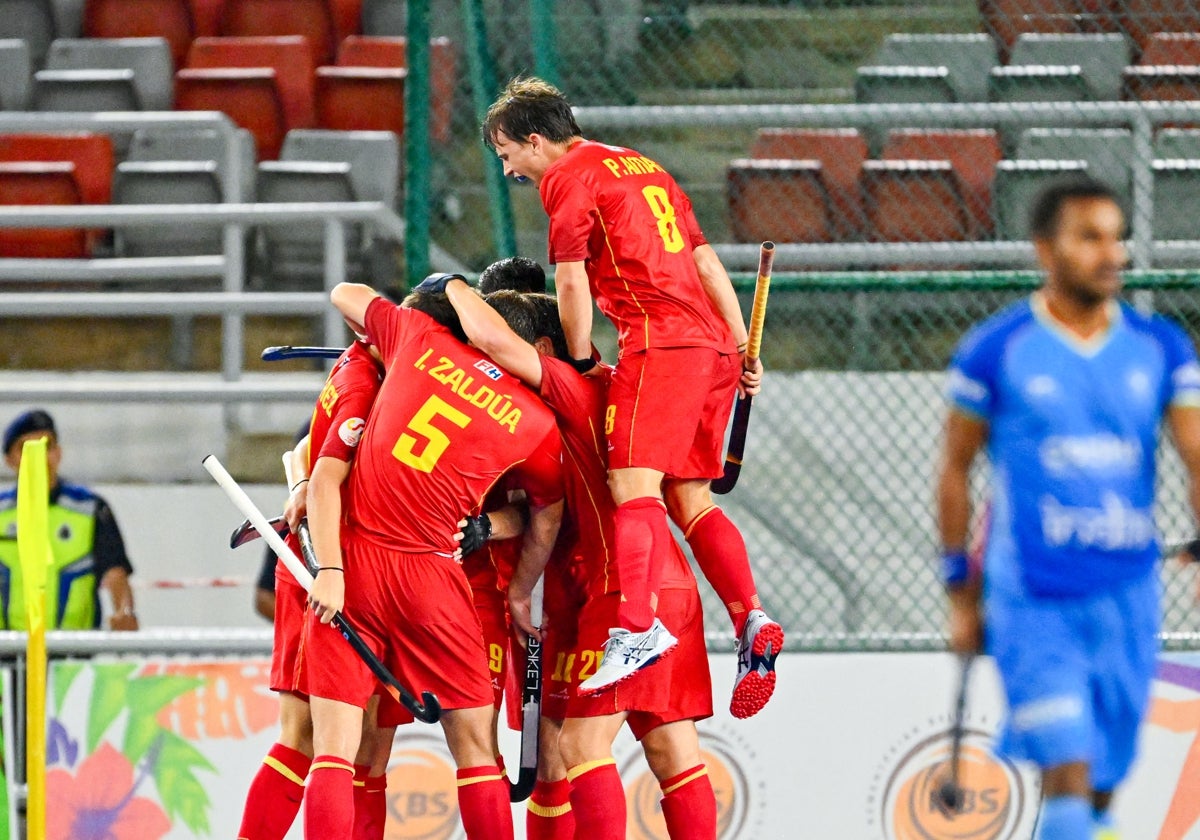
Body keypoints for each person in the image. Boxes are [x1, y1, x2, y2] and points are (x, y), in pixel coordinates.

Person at [482, 77, 782, 716]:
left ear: (537, 141)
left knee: (633, 487)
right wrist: (741, 347)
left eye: (509, 153)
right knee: (688, 496)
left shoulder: (566, 179)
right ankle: (751, 619)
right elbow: (704, 264)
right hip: (711, 343)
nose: (509, 168)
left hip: (663, 345)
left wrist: (584, 356)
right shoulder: (646, 167)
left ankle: (637, 626)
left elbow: (570, 283)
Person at [936, 176, 1200, 840]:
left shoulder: (1160, 347)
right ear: (1045, 250)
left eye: (1116, 238)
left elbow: (1195, 452)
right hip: (1033, 598)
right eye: (1090, 238)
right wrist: (960, 592)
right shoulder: (998, 350)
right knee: (1068, 772)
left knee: (1103, 790)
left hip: (1128, 595)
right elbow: (955, 469)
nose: (1111, 254)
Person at [444, 276, 721, 840]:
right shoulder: (621, 393)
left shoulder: (571, 388)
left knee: (575, 746)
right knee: (670, 749)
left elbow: (506, 342)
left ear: (542, 351)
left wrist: (440, 294)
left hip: (623, 593)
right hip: (666, 587)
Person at [302, 283, 565, 840]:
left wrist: (448, 287)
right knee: (476, 752)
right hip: (434, 577)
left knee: (334, 753)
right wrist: (519, 588)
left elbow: (343, 293)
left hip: (352, 563)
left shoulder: (418, 337)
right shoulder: (538, 425)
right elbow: (546, 516)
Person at [238, 343, 396, 840]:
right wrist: (304, 482)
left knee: (371, 744)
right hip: (327, 566)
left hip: (377, 571)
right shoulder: (368, 381)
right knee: (311, 737)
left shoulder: (399, 378)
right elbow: (308, 445)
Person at [0, 409, 138, 631]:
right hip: (6, 654)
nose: (40, 457)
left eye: (47, 446)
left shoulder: (90, 508)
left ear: (59, 452)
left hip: (75, 657)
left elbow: (115, 570)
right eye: (26, 448)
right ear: (9, 459)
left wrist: (124, 612)